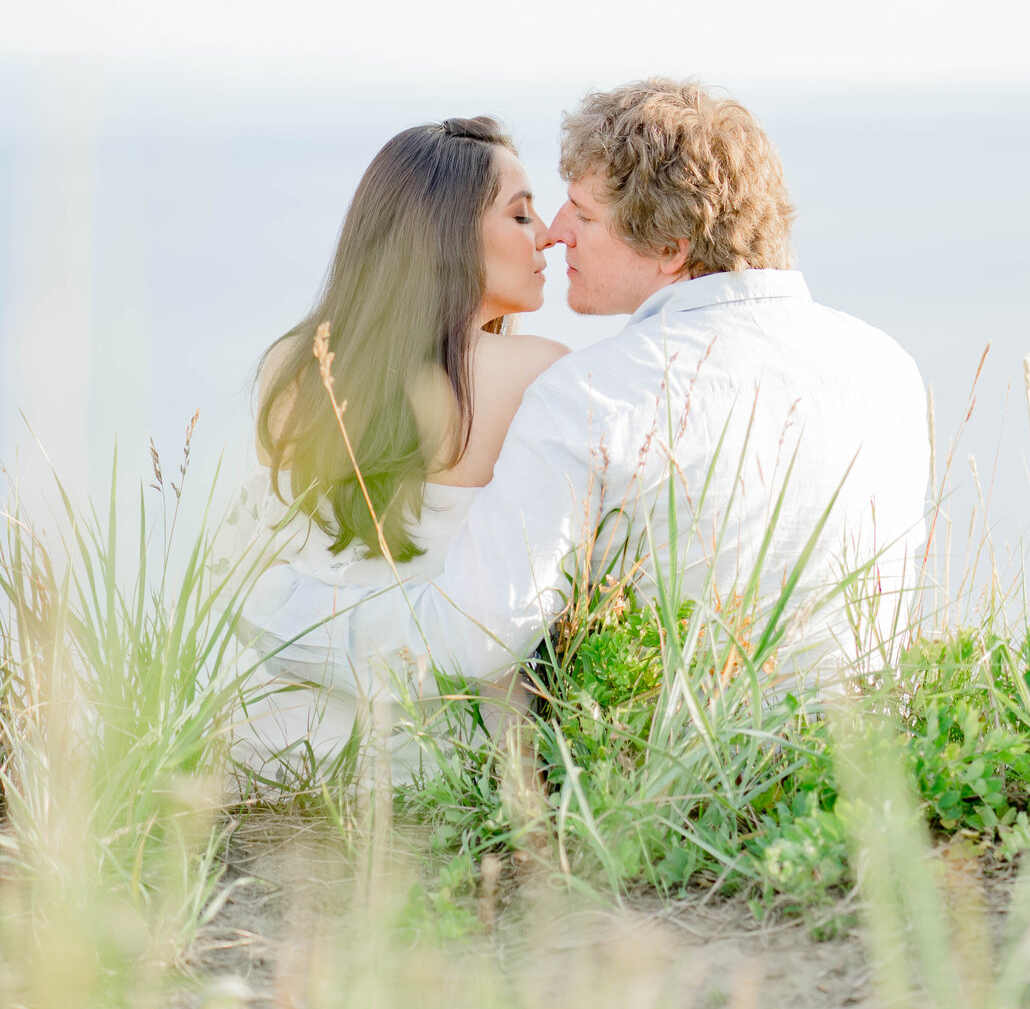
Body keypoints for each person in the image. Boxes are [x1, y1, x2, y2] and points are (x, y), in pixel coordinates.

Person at [237, 79, 929, 724]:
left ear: (670, 247)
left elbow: (476, 635)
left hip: (678, 775)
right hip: (867, 755)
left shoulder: (597, 392)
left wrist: (276, 617)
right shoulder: (890, 365)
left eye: (584, 214)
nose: (557, 230)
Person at [217, 116, 566, 783]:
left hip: (279, 746)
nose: (547, 233)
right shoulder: (539, 373)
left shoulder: (291, 366)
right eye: (521, 216)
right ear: (451, 234)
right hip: (449, 760)